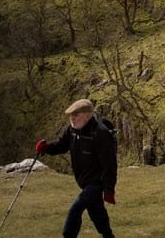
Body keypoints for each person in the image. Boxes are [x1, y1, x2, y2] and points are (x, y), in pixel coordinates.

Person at [36, 99, 118, 238]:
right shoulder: (72, 129)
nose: (72, 118)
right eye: (70, 115)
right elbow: (62, 145)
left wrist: (109, 190)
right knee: (96, 210)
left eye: (76, 114)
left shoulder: (100, 133)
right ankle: (108, 235)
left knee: (76, 208)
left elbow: (110, 164)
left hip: (97, 181)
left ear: (87, 115)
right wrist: (46, 148)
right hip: (84, 181)